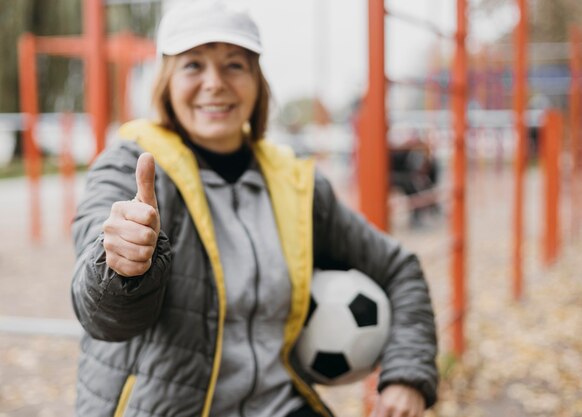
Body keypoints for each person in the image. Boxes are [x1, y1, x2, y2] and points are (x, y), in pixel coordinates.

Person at [70, 2, 438, 417]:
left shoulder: (297, 185)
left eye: (234, 65)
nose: (215, 83)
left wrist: (407, 374)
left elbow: (400, 268)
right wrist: (119, 267)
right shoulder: (128, 167)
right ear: (167, 81)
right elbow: (102, 319)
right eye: (193, 65)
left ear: (257, 80)